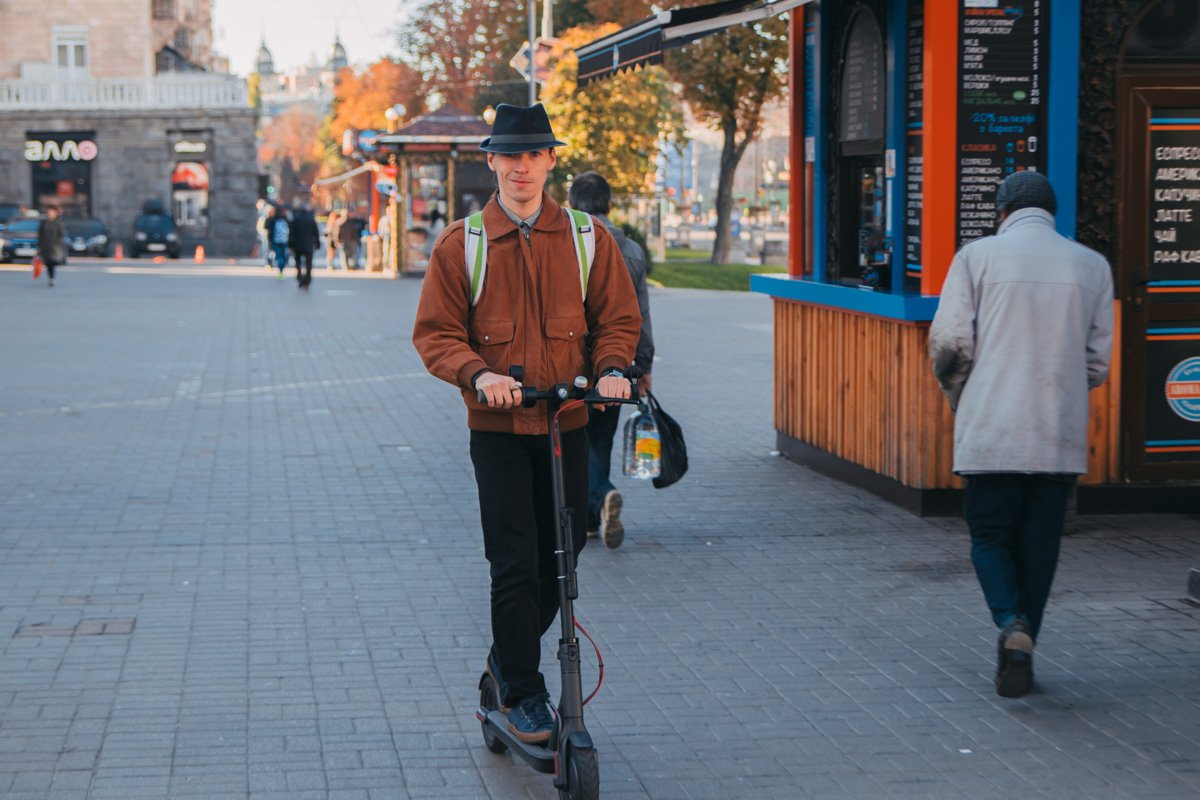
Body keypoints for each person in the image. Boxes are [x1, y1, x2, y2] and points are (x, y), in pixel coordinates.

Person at [412, 103, 641, 745]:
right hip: (498, 435)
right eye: (509, 155)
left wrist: (614, 366)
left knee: (563, 562)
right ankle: (523, 689)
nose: (520, 166)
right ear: (492, 162)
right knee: (513, 564)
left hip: (564, 423)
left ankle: (500, 666)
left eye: (532, 154)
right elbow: (436, 334)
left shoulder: (587, 238)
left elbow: (617, 318)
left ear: (550, 161)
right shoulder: (463, 245)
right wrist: (478, 375)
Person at [928, 170, 1114, 699]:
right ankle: (1024, 639)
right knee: (1040, 543)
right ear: (1050, 212)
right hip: (1057, 433)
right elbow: (1096, 364)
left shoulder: (976, 258)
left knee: (989, 535)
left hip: (990, 429)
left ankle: (1011, 624)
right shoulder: (1092, 266)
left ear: (1002, 211)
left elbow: (950, 344)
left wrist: (962, 392)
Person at [567, 171, 655, 549]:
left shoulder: (566, 244)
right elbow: (641, 314)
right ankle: (591, 516)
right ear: (607, 203)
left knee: (577, 437)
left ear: (572, 204)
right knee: (600, 437)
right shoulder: (631, 250)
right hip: (622, 360)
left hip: (573, 360)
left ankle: (598, 498)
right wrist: (645, 364)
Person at [288, 199, 321, 290]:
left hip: (297, 245)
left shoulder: (295, 219)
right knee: (308, 264)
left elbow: (291, 233)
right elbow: (316, 233)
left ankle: (299, 277)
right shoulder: (311, 220)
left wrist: (290, 245)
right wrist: (317, 244)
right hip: (308, 245)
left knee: (298, 262)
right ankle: (307, 280)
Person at [37, 204, 65, 288]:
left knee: (52, 262)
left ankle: (52, 278)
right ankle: (50, 278)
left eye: (52, 212)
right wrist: (39, 246)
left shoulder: (58, 223)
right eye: (49, 211)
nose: (50, 213)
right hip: (45, 246)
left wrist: (59, 244)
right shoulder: (44, 222)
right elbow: (40, 235)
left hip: (54, 246)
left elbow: (61, 234)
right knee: (48, 263)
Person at [268, 205, 290, 279]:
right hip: (284, 241)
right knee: (283, 255)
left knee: (279, 255)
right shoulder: (286, 219)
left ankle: (280, 268)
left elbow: (269, 230)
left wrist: (270, 240)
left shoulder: (273, 220)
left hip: (276, 241)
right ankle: (281, 268)